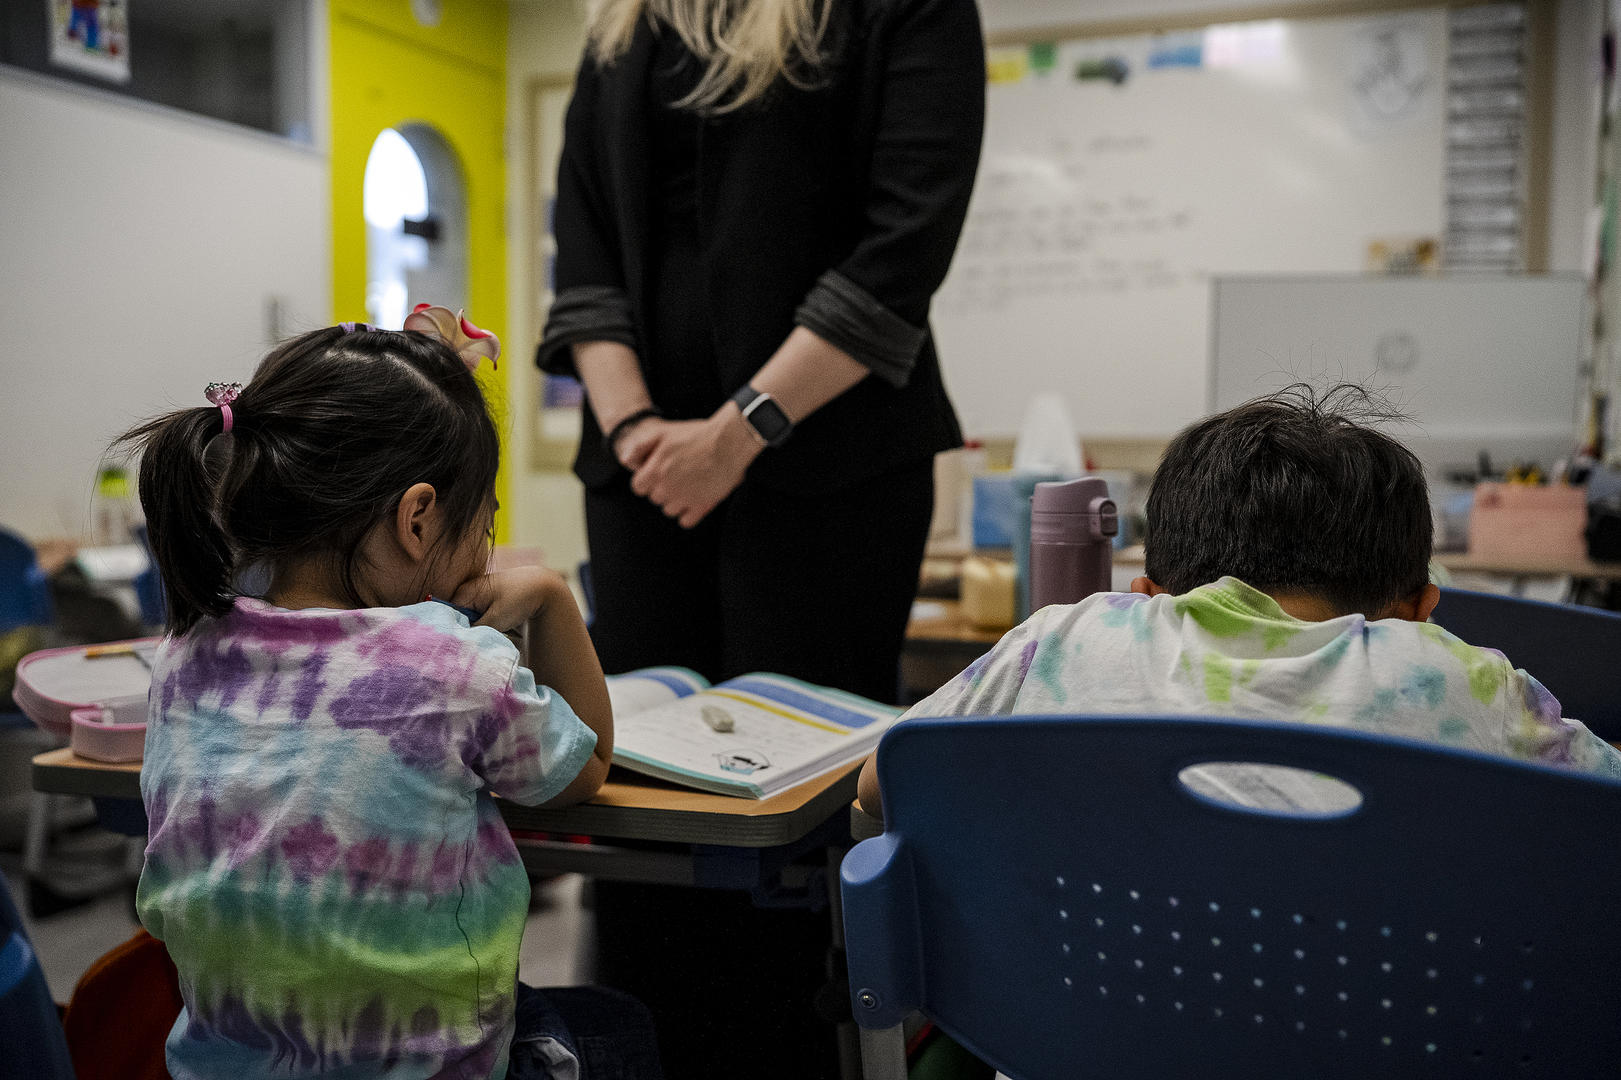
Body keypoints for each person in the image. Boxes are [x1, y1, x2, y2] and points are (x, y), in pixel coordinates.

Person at [535, 1, 985, 1075]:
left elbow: (904, 242)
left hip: (833, 475)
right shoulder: (621, 27)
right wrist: (638, 433)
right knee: (639, 795)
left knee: (800, 808)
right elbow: (583, 251)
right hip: (642, 474)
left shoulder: (902, 11)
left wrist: (741, 432)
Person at [119, 309, 663, 1080]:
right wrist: (549, 597)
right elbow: (587, 767)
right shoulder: (453, 663)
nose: (483, 553)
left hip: (223, 1068)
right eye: (484, 524)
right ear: (417, 518)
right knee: (620, 1024)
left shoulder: (185, 653)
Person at [859, 384, 1621, 819]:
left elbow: (876, 788)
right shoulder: (1469, 686)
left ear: (1145, 597)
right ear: (1420, 611)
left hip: (1073, 1024)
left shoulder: (1060, 642)